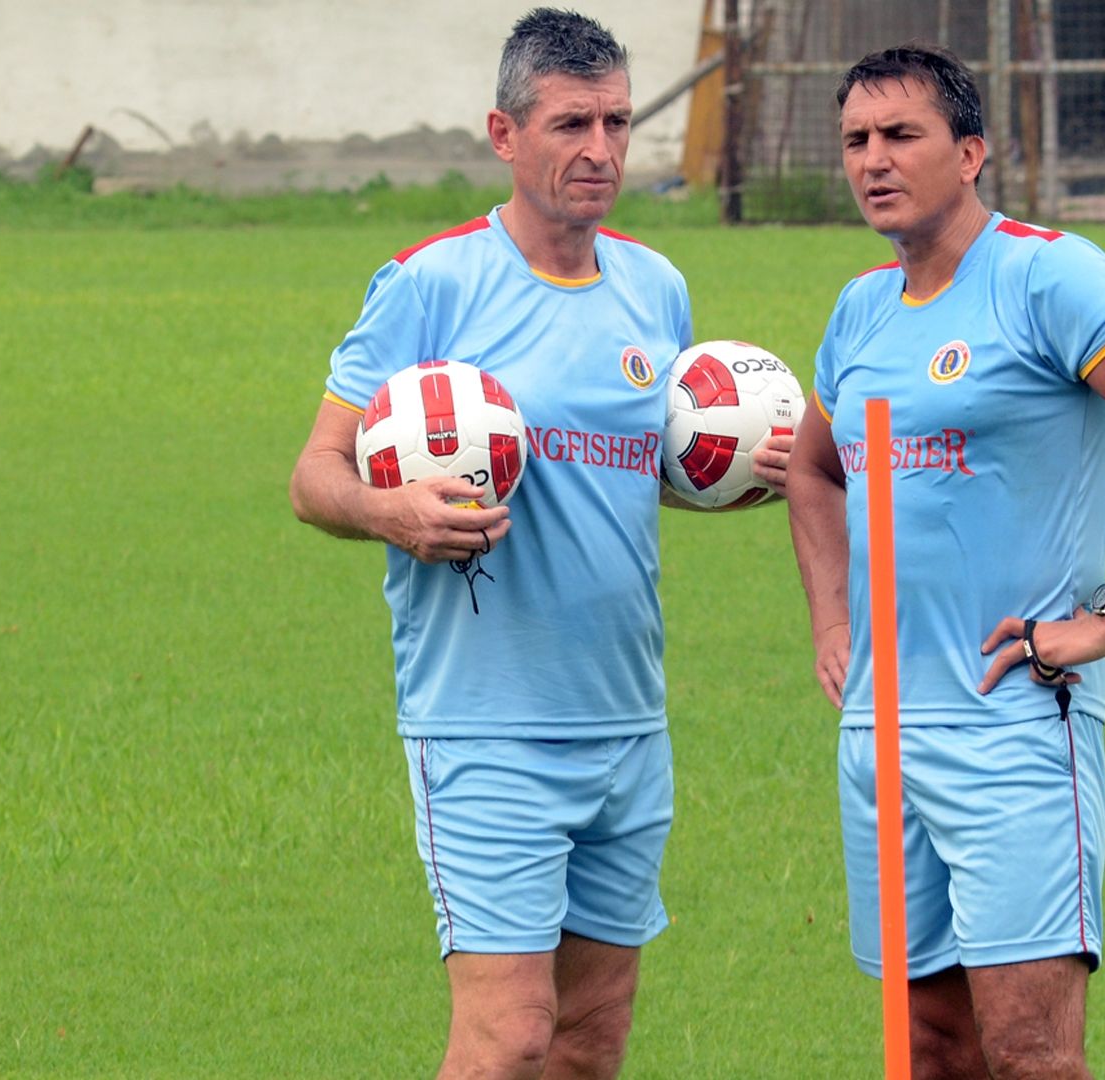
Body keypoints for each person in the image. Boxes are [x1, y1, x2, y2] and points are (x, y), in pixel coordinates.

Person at [288, 10, 786, 1079]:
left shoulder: (656, 288)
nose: (599, 148)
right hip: (485, 722)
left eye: (615, 121)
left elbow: (629, 464)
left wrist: (724, 474)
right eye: (570, 123)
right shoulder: (430, 283)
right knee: (510, 1037)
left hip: (626, 715)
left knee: (590, 1039)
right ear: (505, 135)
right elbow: (313, 475)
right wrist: (393, 514)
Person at [784, 44, 1105, 1080]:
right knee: (930, 1047)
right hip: (882, 732)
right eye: (856, 140)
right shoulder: (859, 309)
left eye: (902, 135)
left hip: (1012, 726)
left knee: (1033, 1052)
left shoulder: (1045, 274)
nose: (873, 160)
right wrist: (831, 623)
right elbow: (813, 471)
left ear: (972, 151)